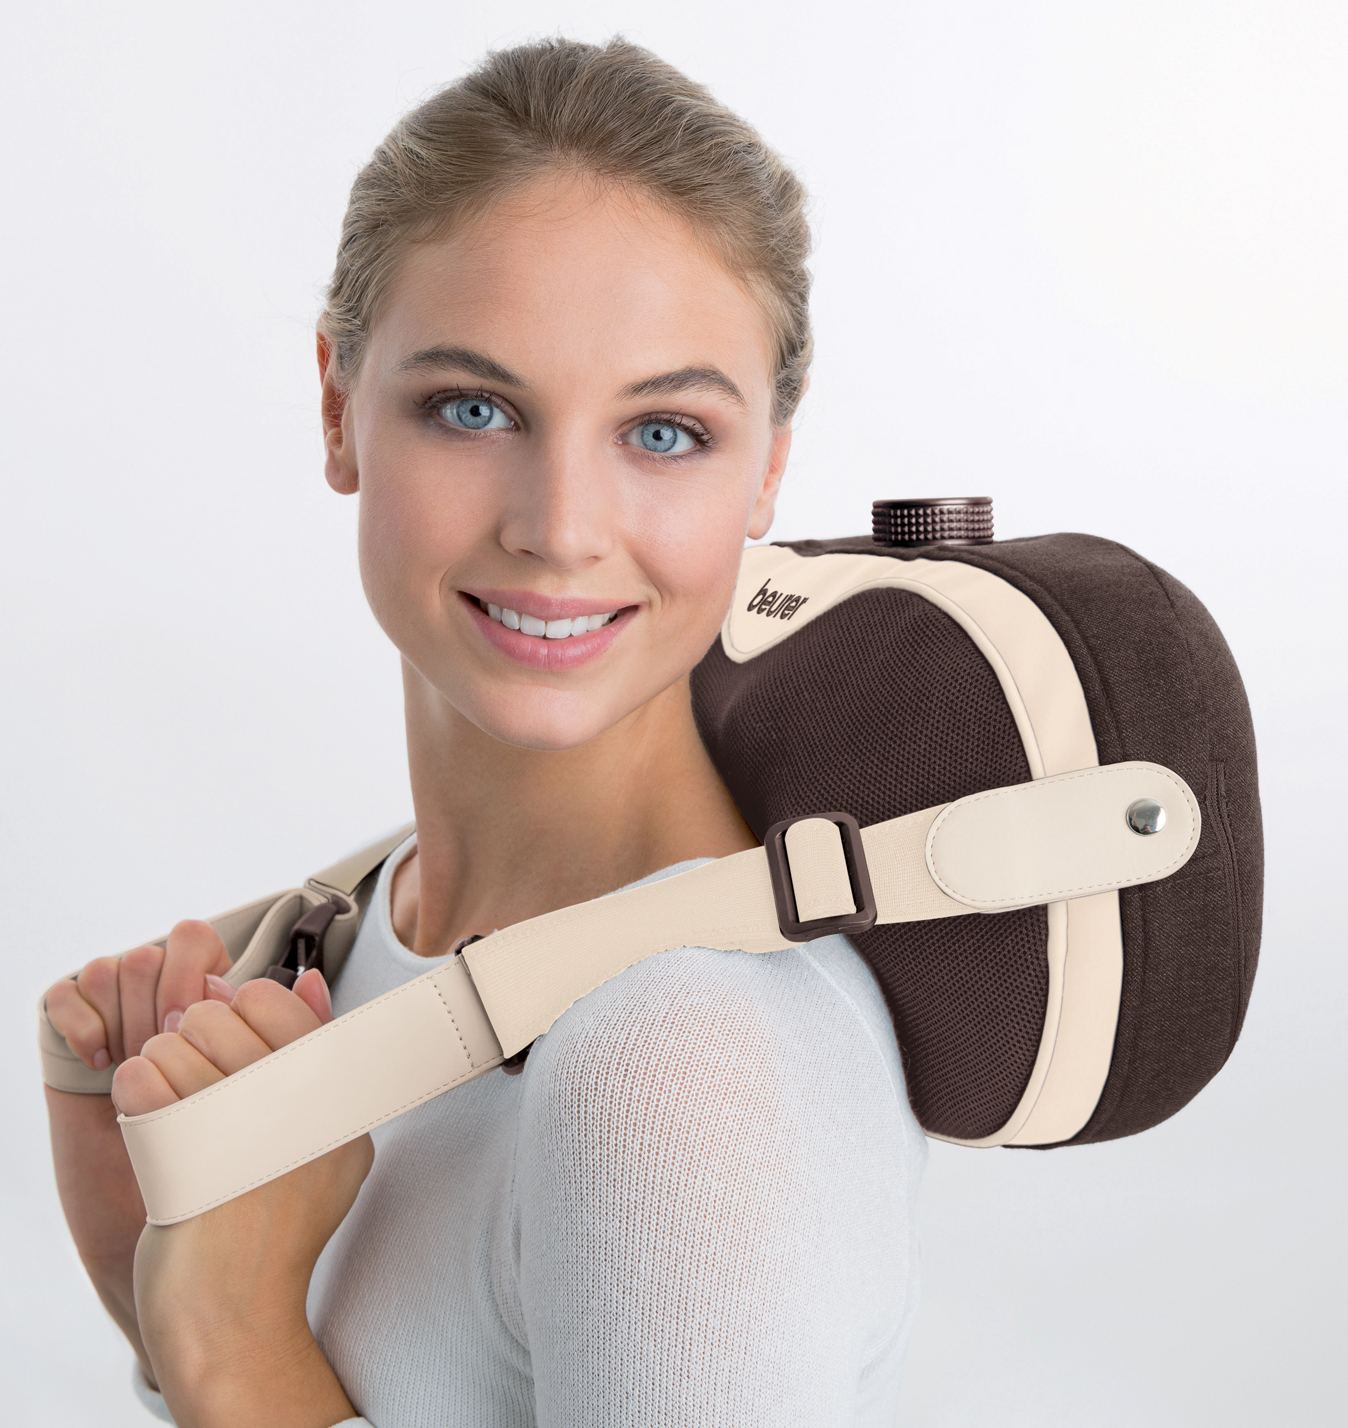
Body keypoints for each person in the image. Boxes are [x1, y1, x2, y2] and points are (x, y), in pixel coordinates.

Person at [42, 38, 927, 1427]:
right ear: (336, 406)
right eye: (474, 409)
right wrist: (148, 1274)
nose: (559, 528)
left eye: (666, 432)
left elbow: (264, 1373)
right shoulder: (360, 934)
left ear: (769, 464)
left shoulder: (678, 1064)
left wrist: (232, 1340)